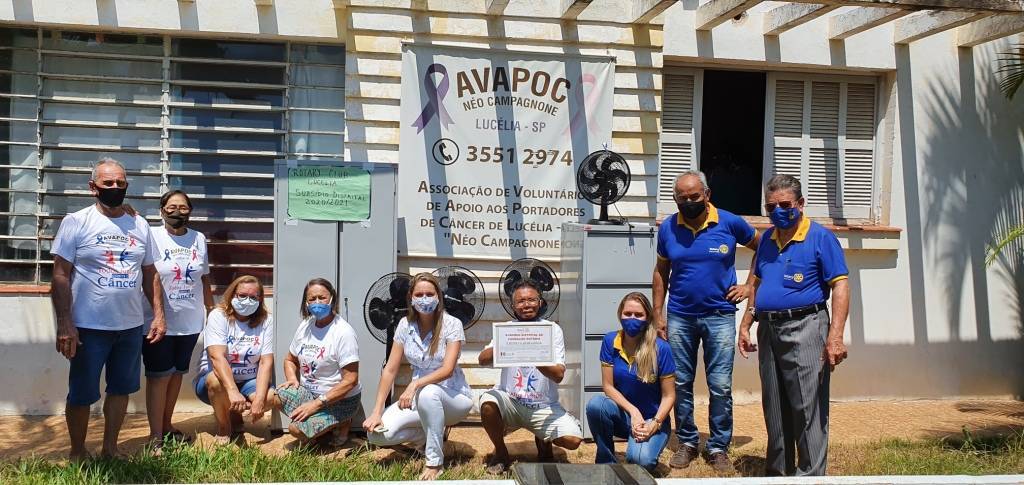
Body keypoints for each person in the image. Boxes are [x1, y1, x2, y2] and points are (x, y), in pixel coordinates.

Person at [51, 157, 166, 460]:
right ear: (93, 187)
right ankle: (78, 452)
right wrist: (64, 323)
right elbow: (60, 275)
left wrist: (158, 314)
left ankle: (110, 449)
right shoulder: (76, 222)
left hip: (130, 327)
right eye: (108, 183)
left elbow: (150, 272)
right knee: (81, 393)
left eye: (120, 183)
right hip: (88, 327)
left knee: (121, 389)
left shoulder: (139, 224)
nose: (115, 187)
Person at [738, 174, 850, 476]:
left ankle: (810, 476)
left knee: (806, 408)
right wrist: (747, 322)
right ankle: (779, 474)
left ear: (800, 204)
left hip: (806, 326)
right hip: (768, 329)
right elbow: (757, 283)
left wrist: (835, 337)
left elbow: (840, 285)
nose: (777, 211)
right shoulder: (767, 240)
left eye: (785, 205)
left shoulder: (821, 238)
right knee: (774, 407)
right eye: (770, 207)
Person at [652, 170, 759, 472]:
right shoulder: (668, 228)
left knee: (720, 385)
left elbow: (763, 247)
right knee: (680, 382)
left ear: (707, 194)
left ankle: (718, 446)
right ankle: (687, 442)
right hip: (680, 316)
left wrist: (749, 285)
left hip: (720, 316)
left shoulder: (730, 222)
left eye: (694, 196)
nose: (688, 202)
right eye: (682, 198)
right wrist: (658, 314)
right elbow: (661, 271)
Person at [363, 273, 473, 480]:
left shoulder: (452, 324)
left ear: (438, 296)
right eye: (419, 294)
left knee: (429, 393)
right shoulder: (405, 325)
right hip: (419, 398)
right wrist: (376, 412)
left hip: (454, 396)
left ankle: (434, 463)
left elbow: (448, 369)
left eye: (429, 294)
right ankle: (428, 436)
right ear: (411, 298)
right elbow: (390, 369)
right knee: (377, 434)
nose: (424, 299)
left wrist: (415, 384)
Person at [478, 281, 583, 475]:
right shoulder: (506, 329)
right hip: (512, 402)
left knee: (573, 440)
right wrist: (506, 342)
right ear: (513, 306)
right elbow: (482, 360)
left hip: (543, 406)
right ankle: (501, 453)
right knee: (487, 404)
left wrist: (532, 353)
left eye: (532, 300)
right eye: (520, 301)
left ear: (540, 302)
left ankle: (543, 441)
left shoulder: (552, 330)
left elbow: (558, 375)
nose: (526, 305)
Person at [143, 190, 213, 451]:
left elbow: (204, 277)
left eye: (183, 207)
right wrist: (158, 316)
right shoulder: (151, 235)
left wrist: (211, 309)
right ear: (162, 210)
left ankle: (166, 426)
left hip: (190, 322)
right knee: (159, 377)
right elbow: (148, 274)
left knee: (175, 375)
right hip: (157, 322)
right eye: (171, 207)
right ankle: (155, 437)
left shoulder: (199, 238)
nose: (177, 212)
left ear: (190, 211)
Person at [586, 292, 676, 473]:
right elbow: (608, 387)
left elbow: (669, 395)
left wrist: (654, 423)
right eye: (627, 314)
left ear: (647, 317)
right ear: (620, 314)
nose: (632, 318)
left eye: (638, 315)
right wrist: (633, 412)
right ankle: (606, 463)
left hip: (652, 420)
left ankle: (644, 446)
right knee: (596, 405)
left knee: (639, 461)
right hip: (625, 416)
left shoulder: (662, 348)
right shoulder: (610, 341)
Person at [276, 278, 361, 447]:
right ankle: (316, 426)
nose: (317, 302)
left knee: (295, 429)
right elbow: (290, 359)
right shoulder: (305, 325)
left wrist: (315, 405)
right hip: (309, 394)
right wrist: (292, 379)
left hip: (340, 400)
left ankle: (343, 422)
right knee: (270, 397)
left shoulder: (343, 333)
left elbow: (351, 380)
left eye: (322, 298)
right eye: (312, 298)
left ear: (332, 299)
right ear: (306, 302)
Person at [193, 274, 277, 444]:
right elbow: (217, 357)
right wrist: (232, 391)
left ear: (260, 299)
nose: (247, 301)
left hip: (249, 381)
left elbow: (265, 361)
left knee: (272, 398)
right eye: (242, 296)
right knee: (215, 381)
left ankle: (234, 412)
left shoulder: (267, 320)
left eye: (253, 297)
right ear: (232, 295)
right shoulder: (218, 316)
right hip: (218, 382)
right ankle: (224, 426)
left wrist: (259, 399)